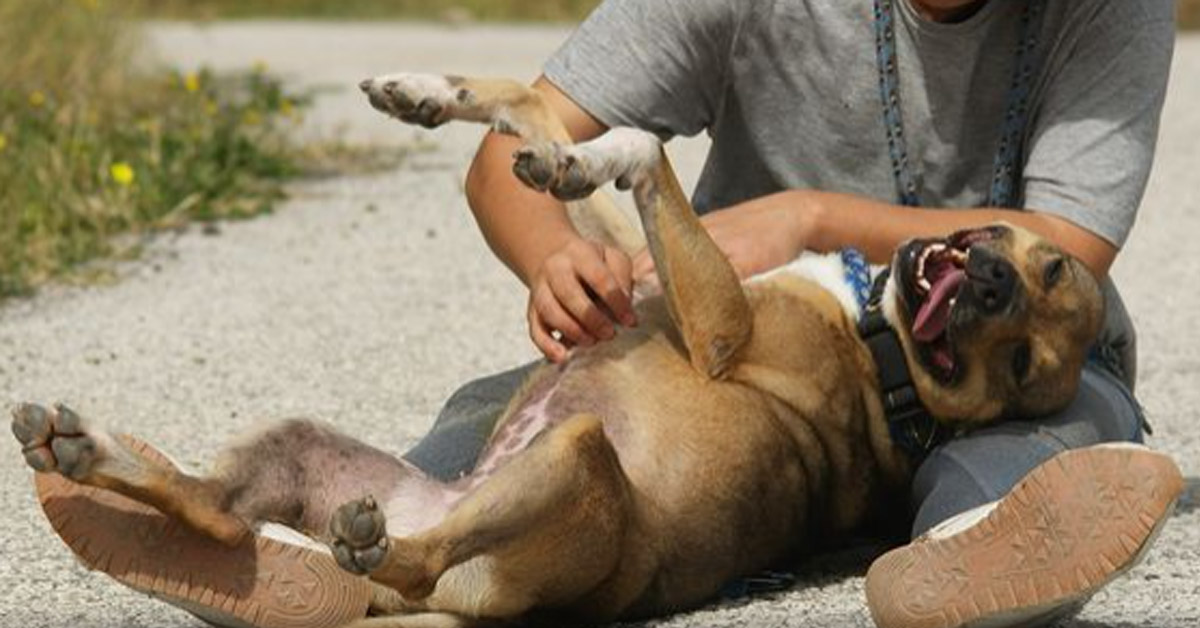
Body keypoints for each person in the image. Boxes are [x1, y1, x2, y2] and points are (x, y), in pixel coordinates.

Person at [402, 0, 1181, 627]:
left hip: (993, 381)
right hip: (757, 369)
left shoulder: (1112, 9)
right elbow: (512, 157)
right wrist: (554, 260)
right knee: (510, 411)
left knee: (1038, 438)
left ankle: (961, 562)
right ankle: (342, 540)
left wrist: (808, 216)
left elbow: (1070, 243)